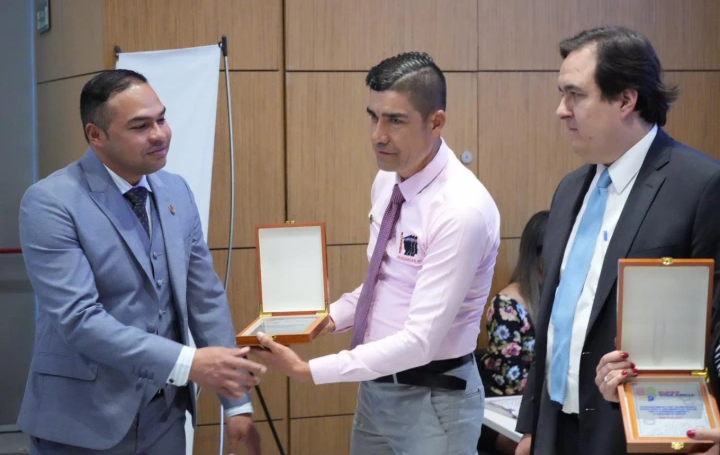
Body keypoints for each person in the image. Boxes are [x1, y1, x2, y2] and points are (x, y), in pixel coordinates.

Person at [251, 52, 501, 455]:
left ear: (436, 122)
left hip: (433, 398)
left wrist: (307, 370)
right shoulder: (388, 181)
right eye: (374, 117)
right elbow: (380, 287)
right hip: (377, 390)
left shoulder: (461, 210)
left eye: (395, 121)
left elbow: (420, 341)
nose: (378, 135)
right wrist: (322, 319)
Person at [17, 69, 267, 455]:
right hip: (81, 421)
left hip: (164, 418)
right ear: (95, 135)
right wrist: (187, 362)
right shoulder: (51, 202)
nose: (159, 134)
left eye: (161, 119)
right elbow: (79, 319)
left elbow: (205, 298)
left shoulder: (176, 191)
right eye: (140, 126)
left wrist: (236, 402)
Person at [515, 25, 720, 455]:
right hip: (554, 427)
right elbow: (556, 319)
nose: (561, 110)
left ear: (626, 100)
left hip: (635, 431)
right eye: (561, 94)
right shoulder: (571, 188)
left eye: (575, 95)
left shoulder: (700, 185)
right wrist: (530, 428)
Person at [477, 210, 547, 455]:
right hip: (504, 410)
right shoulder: (506, 305)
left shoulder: (562, 295)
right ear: (538, 254)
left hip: (544, 408)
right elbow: (511, 382)